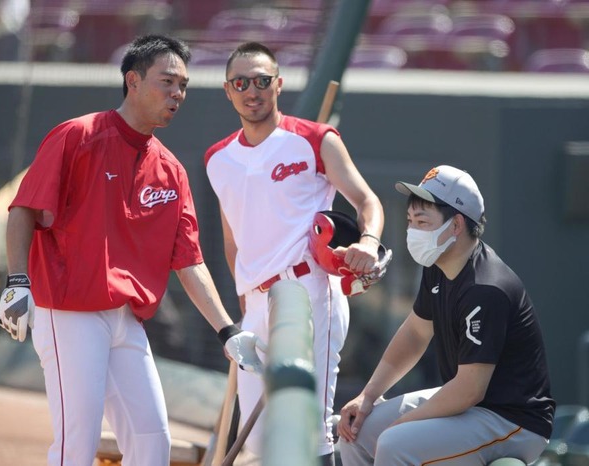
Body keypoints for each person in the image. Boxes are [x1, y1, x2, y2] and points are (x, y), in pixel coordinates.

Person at [0, 35, 264, 466]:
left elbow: (190, 261)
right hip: (69, 313)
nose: (178, 94)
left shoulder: (171, 169)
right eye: (168, 82)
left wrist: (227, 330)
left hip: (125, 320)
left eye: (184, 85)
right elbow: (23, 210)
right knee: (76, 443)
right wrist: (16, 282)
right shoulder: (77, 135)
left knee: (152, 442)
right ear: (133, 81)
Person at [204, 41, 390, 465]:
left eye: (262, 81)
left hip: (309, 289)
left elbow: (367, 202)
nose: (252, 90)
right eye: (241, 82)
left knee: (313, 427)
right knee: (260, 440)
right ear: (227, 90)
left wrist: (369, 241)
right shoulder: (218, 158)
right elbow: (234, 239)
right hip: (254, 299)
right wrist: (243, 302)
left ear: (278, 84)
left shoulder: (315, 139)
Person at [338, 165, 556, 465]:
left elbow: (469, 390)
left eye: (422, 221)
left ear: (455, 226)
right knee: (356, 430)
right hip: (468, 406)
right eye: (410, 221)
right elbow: (415, 334)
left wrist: (407, 423)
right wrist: (368, 396)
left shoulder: (486, 288)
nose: (412, 230)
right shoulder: (438, 265)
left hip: (513, 420)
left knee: (393, 442)